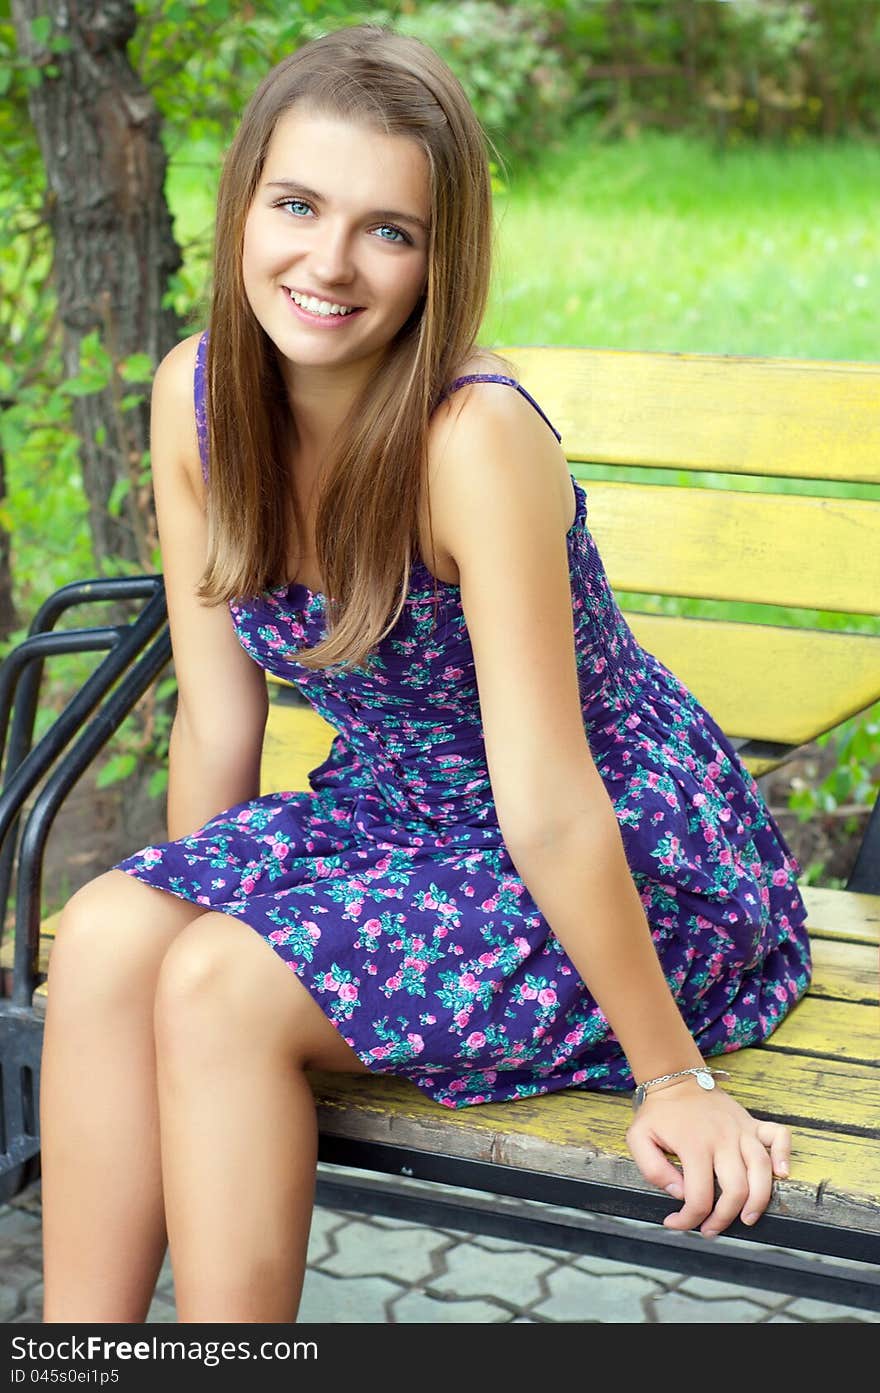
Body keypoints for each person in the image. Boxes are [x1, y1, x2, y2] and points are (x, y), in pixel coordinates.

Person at [39, 22, 812, 1324]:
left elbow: (554, 797)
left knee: (228, 987)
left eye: (387, 230)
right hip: (398, 820)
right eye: (297, 205)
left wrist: (673, 1079)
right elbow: (215, 724)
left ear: (437, 257)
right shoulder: (196, 404)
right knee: (119, 929)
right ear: (244, 205)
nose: (327, 263)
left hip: (617, 852)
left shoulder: (474, 439)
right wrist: (197, 906)